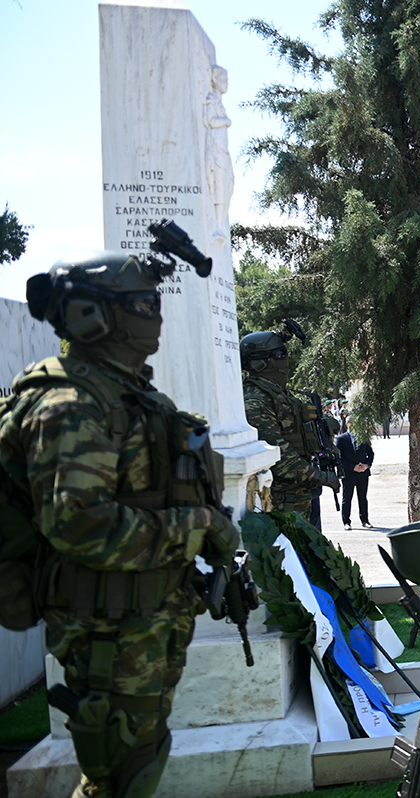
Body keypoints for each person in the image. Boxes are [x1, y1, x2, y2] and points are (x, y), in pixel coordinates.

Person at [4, 250, 240, 797]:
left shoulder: (129, 393)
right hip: (107, 624)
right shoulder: (71, 404)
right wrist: (199, 523)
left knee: (134, 764)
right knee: (120, 777)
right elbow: (78, 525)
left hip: (143, 614)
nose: (155, 315)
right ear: (94, 316)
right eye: (142, 304)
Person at [242, 330, 339, 520]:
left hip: (299, 491)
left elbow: (294, 431)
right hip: (282, 498)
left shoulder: (279, 394)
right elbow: (275, 450)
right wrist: (315, 475)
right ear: (260, 362)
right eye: (279, 355)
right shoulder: (256, 399)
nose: (285, 361)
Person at [335, 420, 374, 530]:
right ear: (347, 424)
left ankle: (365, 520)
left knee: (363, 498)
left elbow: (370, 453)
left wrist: (366, 465)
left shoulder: (363, 437)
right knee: (347, 498)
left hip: (363, 474)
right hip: (349, 474)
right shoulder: (341, 439)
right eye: (351, 423)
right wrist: (352, 467)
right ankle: (346, 522)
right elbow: (339, 457)